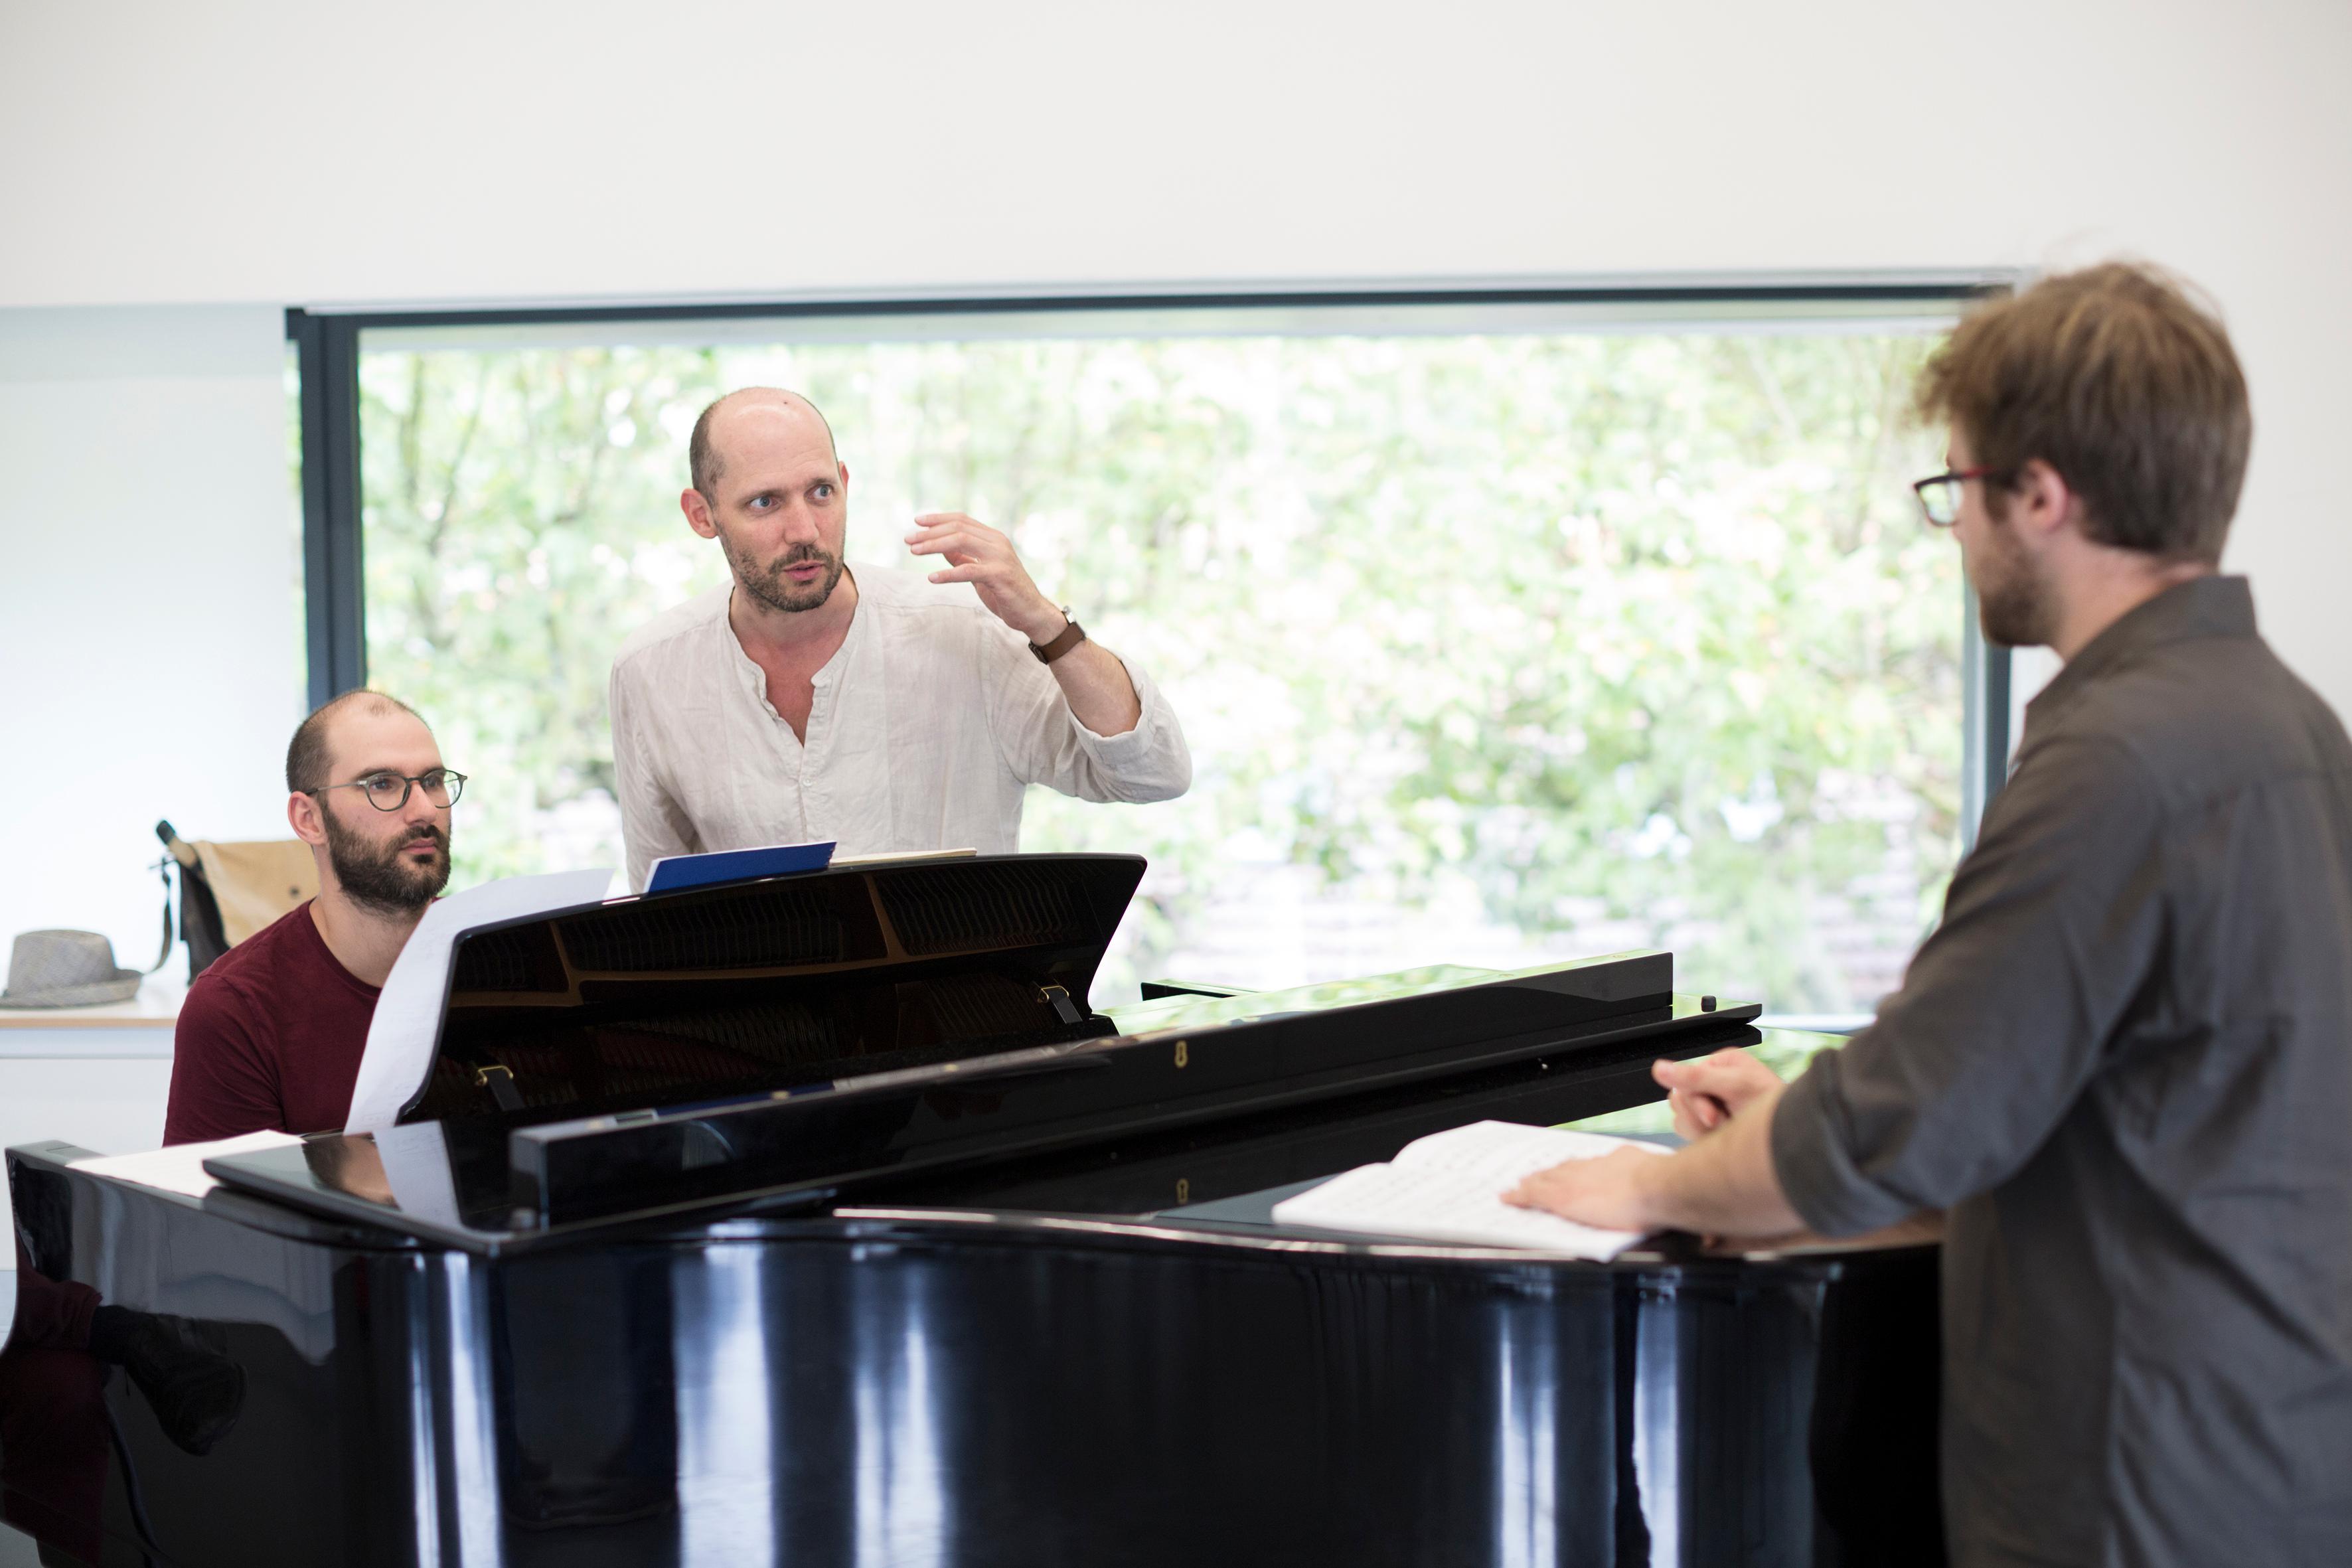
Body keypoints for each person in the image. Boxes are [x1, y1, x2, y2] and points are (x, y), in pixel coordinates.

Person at [1508, 264, 2352, 1565]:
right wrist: (1791, 1122)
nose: (1953, 527)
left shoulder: (2116, 765)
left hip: (2125, 1495)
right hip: (2269, 1464)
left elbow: (1884, 1135)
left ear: (2040, 494)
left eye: (1955, 488)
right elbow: (2065, 1113)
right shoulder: (2291, 727)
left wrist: (1651, 1178)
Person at [607, 388, 1190, 892]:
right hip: (767, 1018)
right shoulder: (651, 671)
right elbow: (661, 911)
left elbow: (1151, 774)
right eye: (765, 502)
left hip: (963, 1013)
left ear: (844, 483)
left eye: (820, 492)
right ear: (701, 515)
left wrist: (1044, 622)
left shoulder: (966, 633)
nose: (805, 531)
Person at [163, 691, 460, 1143]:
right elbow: (219, 1210)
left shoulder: (502, 955)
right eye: (381, 784)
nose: (424, 810)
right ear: (309, 819)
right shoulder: (234, 1010)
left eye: (433, 780)